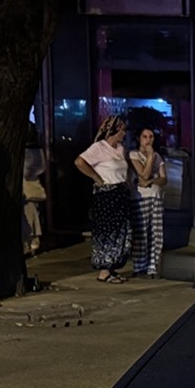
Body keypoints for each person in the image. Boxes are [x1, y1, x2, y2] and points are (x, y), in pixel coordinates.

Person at [75, 115, 132, 282]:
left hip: (120, 191)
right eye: (122, 129)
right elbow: (79, 162)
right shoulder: (99, 147)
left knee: (121, 232)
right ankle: (104, 270)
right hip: (106, 193)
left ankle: (113, 267)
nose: (124, 133)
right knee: (108, 230)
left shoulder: (121, 149)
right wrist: (97, 178)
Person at [129, 127, 167, 278]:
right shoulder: (133, 154)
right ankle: (139, 266)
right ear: (139, 138)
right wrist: (150, 156)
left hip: (156, 195)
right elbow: (142, 173)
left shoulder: (158, 156)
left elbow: (164, 179)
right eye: (145, 136)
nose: (148, 140)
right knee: (141, 232)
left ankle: (153, 266)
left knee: (156, 232)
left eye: (151, 136)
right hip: (140, 197)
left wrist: (151, 180)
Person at [22, 122, 46, 256]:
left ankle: (29, 242)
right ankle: (33, 241)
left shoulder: (24, 151)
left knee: (27, 214)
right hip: (33, 185)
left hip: (26, 187)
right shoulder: (38, 150)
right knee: (33, 213)